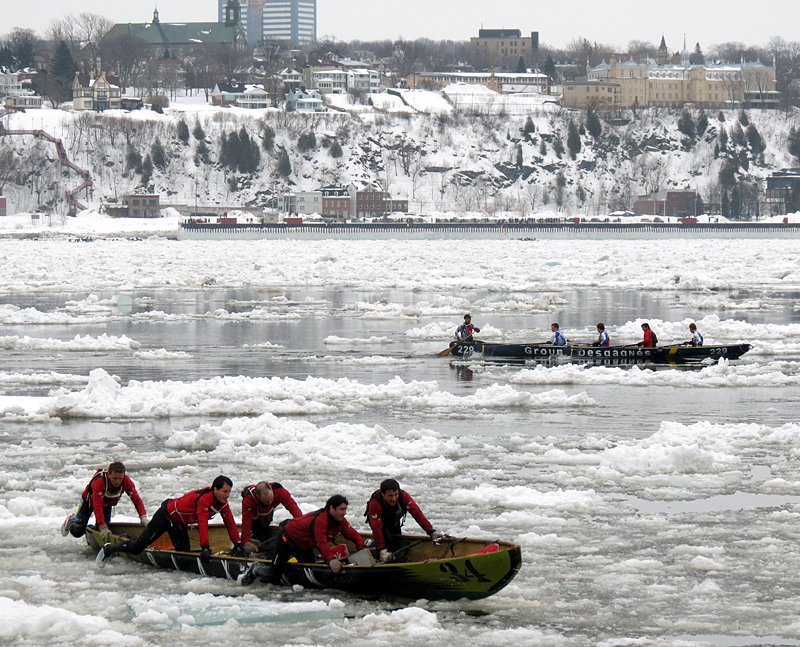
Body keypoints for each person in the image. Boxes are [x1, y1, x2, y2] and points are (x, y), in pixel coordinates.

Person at [96, 475, 242, 567]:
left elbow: (229, 522)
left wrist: (237, 543)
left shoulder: (222, 503)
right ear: (215, 489)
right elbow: (202, 523)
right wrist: (205, 547)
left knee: (184, 556)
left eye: (229, 492)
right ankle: (109, 548)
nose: (227, 495)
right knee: (137, 548)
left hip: (178, 523)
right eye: (225, 492)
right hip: (165, 516)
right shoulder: (205, 499)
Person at [269, 494, 367, 585]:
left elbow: (353, 534)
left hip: (304, 546)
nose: (344, 513)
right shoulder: (320, 520)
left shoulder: (340, 520)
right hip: (287, 539)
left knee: (310, 566)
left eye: (345, 509)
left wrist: (362, 547)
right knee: (276, 572)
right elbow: (321, 542)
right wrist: (331, 560)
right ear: (331, 508)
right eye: (341, 509)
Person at [61, 462, 147, 542]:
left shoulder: (126, 481)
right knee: (78, 532)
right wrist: (102, 526)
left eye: (120, 478)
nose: (117, 481)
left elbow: (137, 500)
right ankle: (71, 520)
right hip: (89, 502)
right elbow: (97, 506)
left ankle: (92, 531)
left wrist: (143, 518)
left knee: (104, 530)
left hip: (107, 504)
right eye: (115, 478)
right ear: (109, 475)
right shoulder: (100, 482)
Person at [365, 478, 444, 563]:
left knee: (398, 544)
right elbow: (376, 528)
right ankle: (373, 546)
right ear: (383, 494)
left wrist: (431, 531)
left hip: (393, 521)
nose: (394, 499)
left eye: (396, 494)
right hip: (378, 522)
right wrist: (382, 549)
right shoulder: (375, 503)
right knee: (388, 542)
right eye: (390, 496)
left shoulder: (404, 497)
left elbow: (417, 514)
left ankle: (392, 558)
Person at [240, 481, 303, 556]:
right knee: (259, 531)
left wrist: (302, 525)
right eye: (266, 501)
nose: (270, 502)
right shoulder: (249, 499)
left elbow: (293, 508)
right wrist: (246, 543)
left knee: (267, 526)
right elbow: (246, 522)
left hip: (268, 514)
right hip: (255, 516)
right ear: (258, 497)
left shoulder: (280, 492)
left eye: (271, 499)